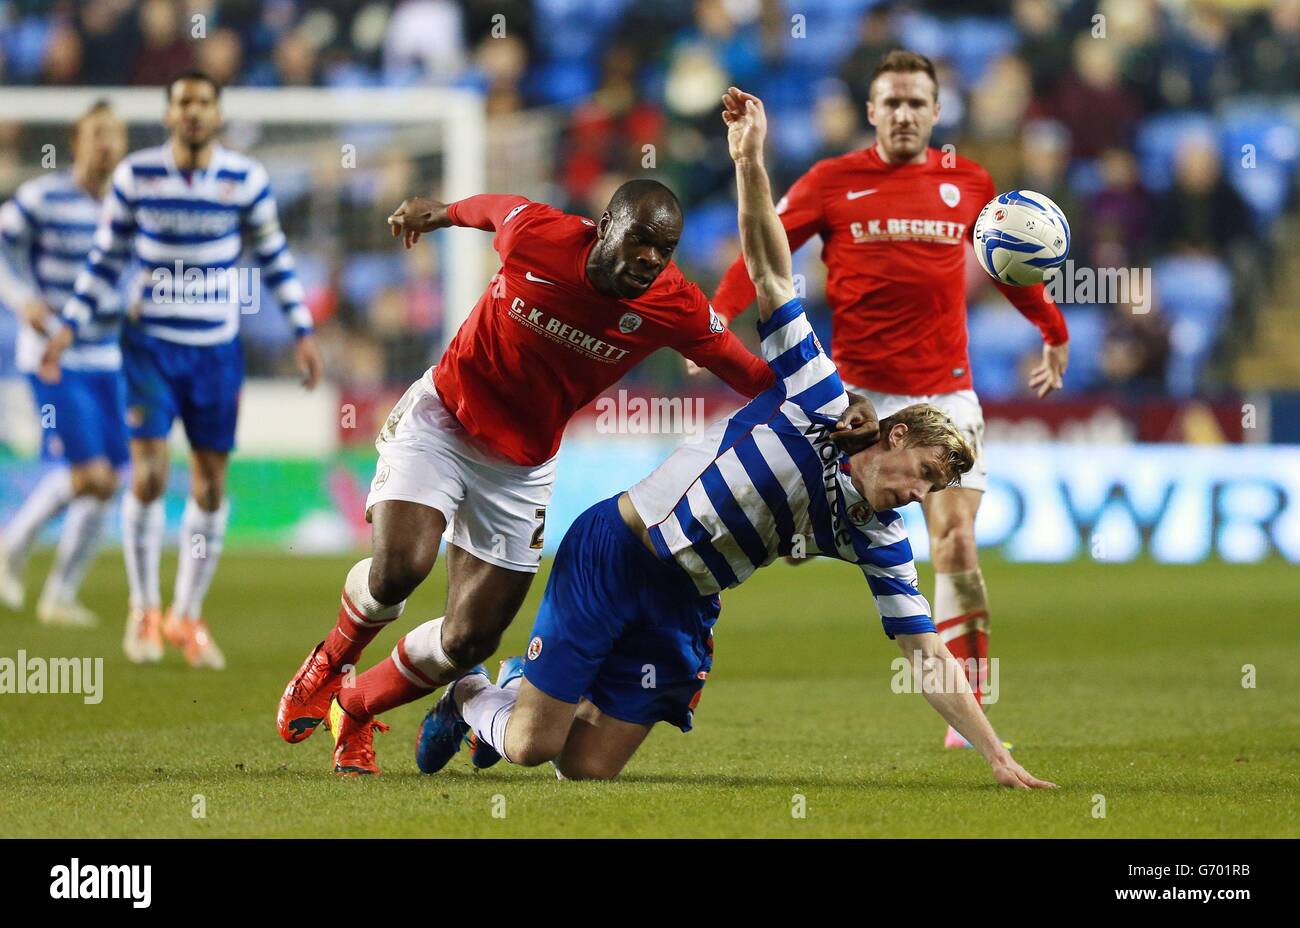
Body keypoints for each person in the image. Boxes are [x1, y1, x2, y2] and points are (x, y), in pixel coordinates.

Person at [414, 87, 1055, 790]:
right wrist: (750, 160)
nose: (918, 495)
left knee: (585, 770)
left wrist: (996, 752)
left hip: (687, 601)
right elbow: (775, 272)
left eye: (931, 489)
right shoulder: (820, 397)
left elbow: (922, 647)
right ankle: (471, 692)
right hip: (621, 552)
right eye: (922, 473)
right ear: (895, 433)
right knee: (535, 747)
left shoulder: (879, 535)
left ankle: (523, 689)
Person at [278, 172, 880, 775]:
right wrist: (437, 212)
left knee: (469, 641)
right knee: (402, 568)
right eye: (639, 240)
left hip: (522, 466)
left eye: (663, 249)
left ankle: (353, 710)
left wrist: (836, 400)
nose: (649, 259)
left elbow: (752, 373)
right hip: (444, 420)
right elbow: (493, 207)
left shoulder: (672, 304)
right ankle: (331, 661)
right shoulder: (541, 234)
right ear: (604, 227)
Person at [711, 50, 1071, 747]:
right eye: (892, 103)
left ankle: (970, 714)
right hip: (858, 399)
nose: (904, 114)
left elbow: (1010, 266)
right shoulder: (831, 181)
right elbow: (766, 247)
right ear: (872, 112)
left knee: (956, 539)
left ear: (936, 114)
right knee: (786, 529)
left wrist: (1052, 331)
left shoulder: (969, 182)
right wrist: (717, 319)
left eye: (917, 103)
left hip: (946, 391)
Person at [43, 70, 323, 668]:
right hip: (149, 346)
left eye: (202, 102)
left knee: (210, 484)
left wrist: (302, 330)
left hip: (216, 352)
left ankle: (187, 614)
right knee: (146, 475)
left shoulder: (244, 178)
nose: (193, 111)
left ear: (216, 115)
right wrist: (67, 325)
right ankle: (143, 606)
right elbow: (104, 258)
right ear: (168, 115)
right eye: (182, 102)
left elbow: (274, 257)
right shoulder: (136, 176)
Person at [0, 101, 128, 628]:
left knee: (111, 479)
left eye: (114, 135)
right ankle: (12, 550)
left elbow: (136, 269)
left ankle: (57, 592)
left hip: (108, 354)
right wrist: (24, 300)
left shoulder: (125, 208)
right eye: (97, 133)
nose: (106, 144)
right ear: (76, 141)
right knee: (92, 474)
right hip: (53, 355)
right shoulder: (39, 197)